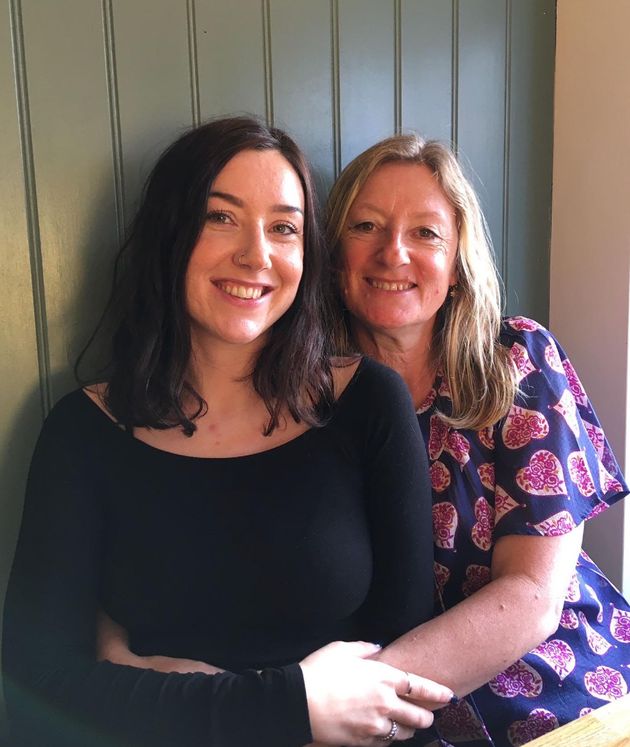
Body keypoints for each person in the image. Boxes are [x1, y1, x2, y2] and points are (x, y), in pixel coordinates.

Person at [2, 118, 455, 747]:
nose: (256, 255)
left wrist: (160, 687)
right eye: (221, 217)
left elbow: (400, 660)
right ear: (171, 233)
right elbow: (35, 679)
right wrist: (287, 704)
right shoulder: (83, 432)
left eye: (284, 228)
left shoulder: (367, 402)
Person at [324, 133, 630, 746]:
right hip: (384, 718)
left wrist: (353, 700)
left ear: (459, 258)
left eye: (426, 232)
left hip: (562, 689)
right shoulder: (299, 398)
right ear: (331, 251)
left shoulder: (515, 361)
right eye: (366, 226)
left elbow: (533, 596)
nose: (393, 252)